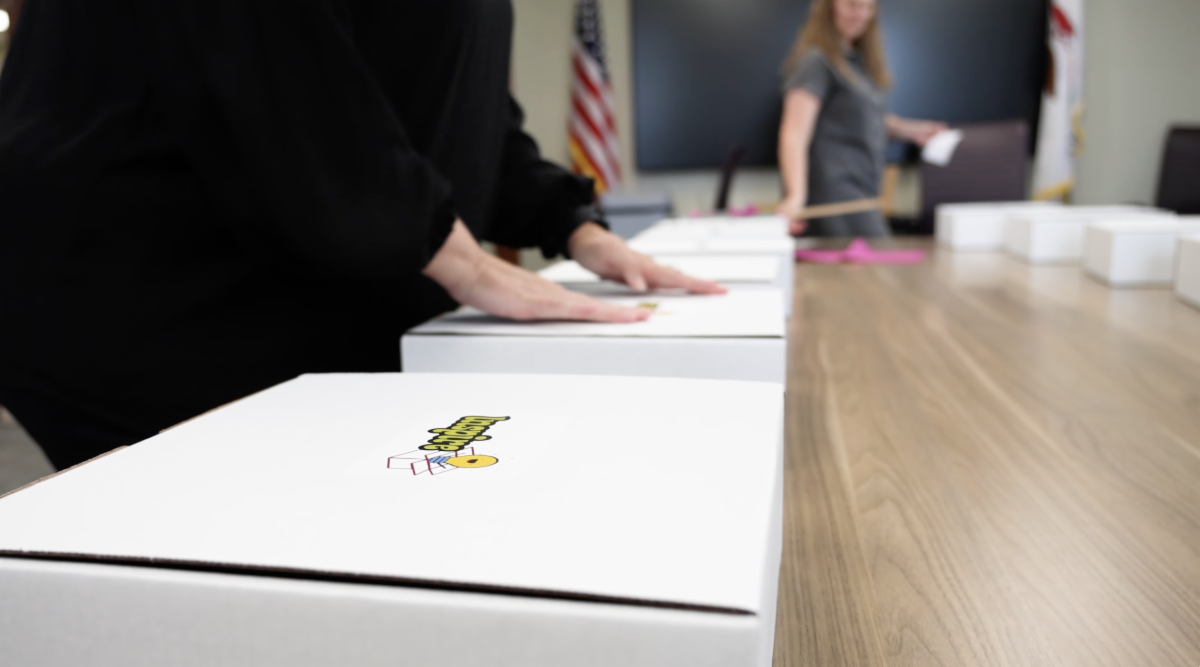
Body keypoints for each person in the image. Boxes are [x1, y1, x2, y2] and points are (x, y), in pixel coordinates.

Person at [0, 0, 722, 471]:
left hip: (321, 292)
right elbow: (267, 54)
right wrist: (451, 248)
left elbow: (451, 91)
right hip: (157, 293)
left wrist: (571, 222)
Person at [776, 0, 946, 237]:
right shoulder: (815, 61)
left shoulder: (856, 63)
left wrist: (914, 130)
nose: (861, 14)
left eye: (868, 7)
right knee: (879, 264)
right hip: (833, 195)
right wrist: (795, 197)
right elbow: (794, 132)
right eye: (852, 5)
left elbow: (867, 119)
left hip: (863, 190)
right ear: (828, 7)